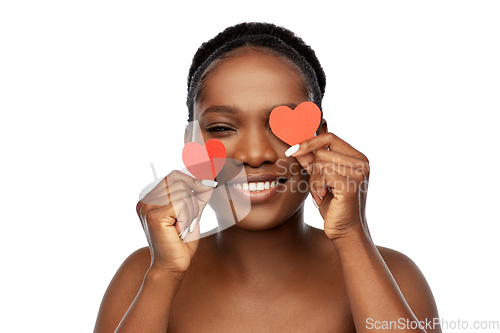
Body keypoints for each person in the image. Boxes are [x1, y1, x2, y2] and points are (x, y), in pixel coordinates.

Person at [93, 22, 441, 333]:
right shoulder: (141, 276)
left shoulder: (394, 275)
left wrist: (352, 235)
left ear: (322, 141)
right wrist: (163, 276)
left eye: (280, 127)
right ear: (192, 145)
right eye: (221, 128)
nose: (255, 154)